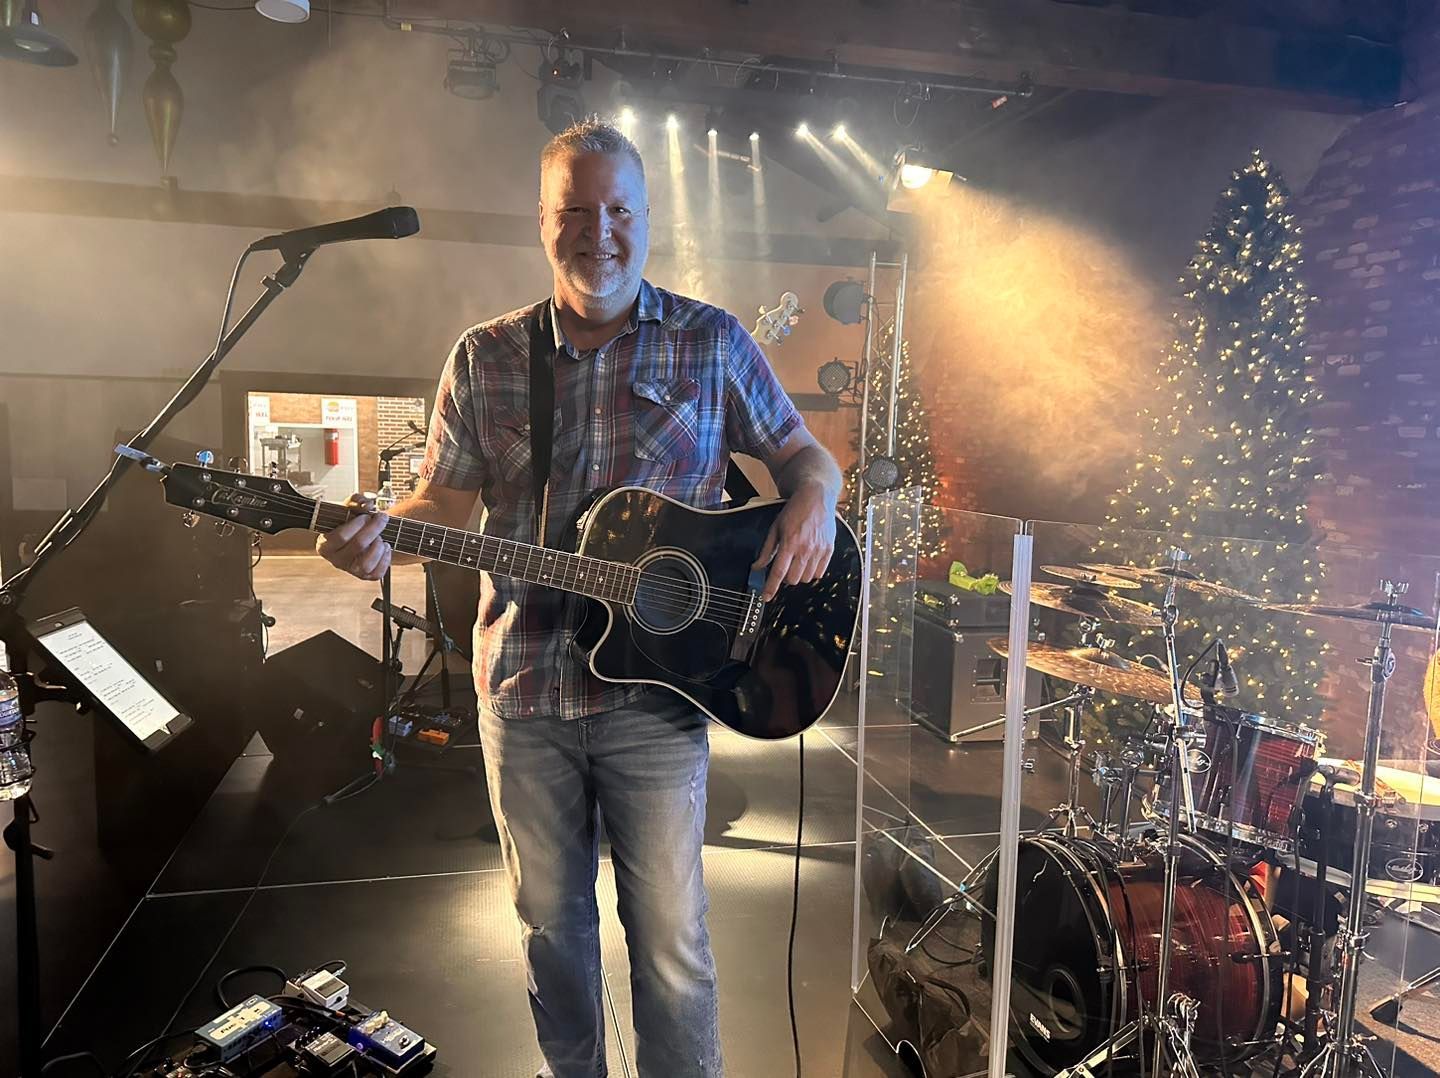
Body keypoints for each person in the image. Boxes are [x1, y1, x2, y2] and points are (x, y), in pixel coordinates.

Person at [316, 117, 842, 1078]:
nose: (598, 232)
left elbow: (806, 454)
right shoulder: (487, 356)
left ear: (645, 218)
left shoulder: (711, 342)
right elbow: (442, 499)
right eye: (575, 212)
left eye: (618, 211)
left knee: (672, 951)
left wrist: (812, 498)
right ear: (543, 222)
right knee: (551, 941)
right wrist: (381, 533)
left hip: (662, 698)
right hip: (524, 692)